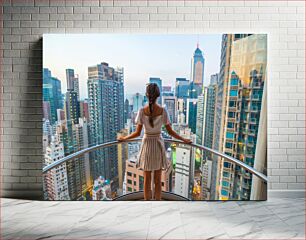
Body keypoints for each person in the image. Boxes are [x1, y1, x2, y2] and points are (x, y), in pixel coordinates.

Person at [117, 83, 192, 200]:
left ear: (147, 95)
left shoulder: (142, 111)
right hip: (157, 145)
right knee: (157, 180)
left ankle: (148, 205)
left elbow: (137, 133)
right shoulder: (163, 111)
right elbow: (171, 132)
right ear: (158, 95)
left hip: (146, 145)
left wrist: (124, 138)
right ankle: (157, 204)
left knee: (147, 181)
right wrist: (184, 139)